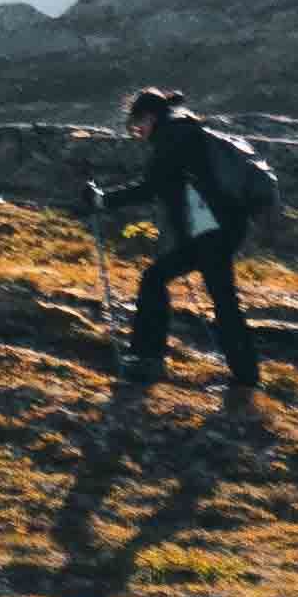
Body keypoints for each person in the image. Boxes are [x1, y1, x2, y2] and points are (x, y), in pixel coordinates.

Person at [97, 83, 270, 417]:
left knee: (158, 279)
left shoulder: (172, 139)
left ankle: (148, 360)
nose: (139, 134)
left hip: (210, 234)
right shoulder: (185, 132)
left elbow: (150, 188)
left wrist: (103, 200)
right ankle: (246, 376)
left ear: (149, 117)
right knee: (219, 298)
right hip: (222, 229)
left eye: (138, 127)